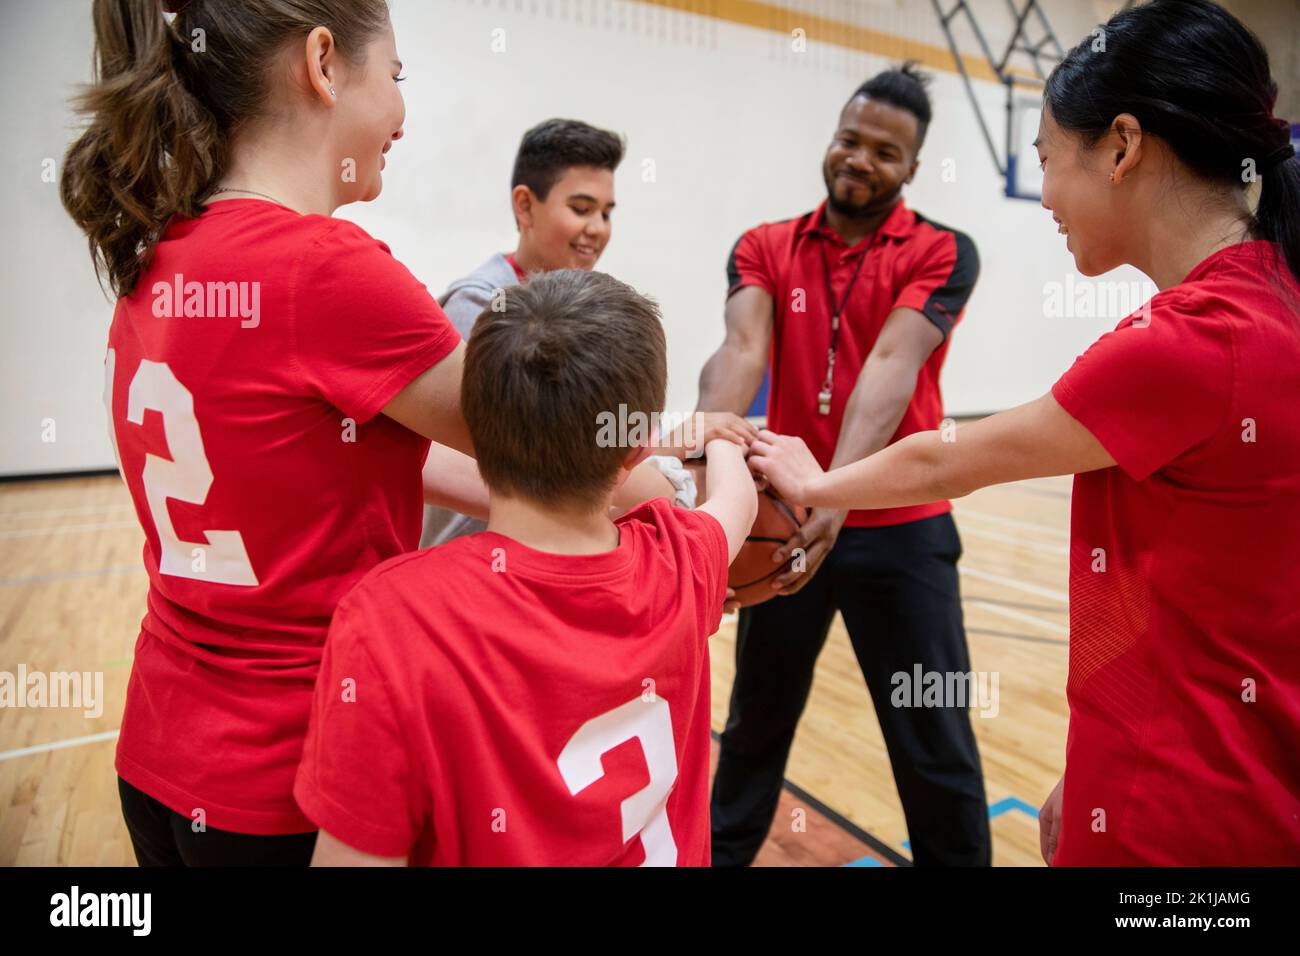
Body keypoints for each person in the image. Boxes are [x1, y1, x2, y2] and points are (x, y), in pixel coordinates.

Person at [59, 0, 660, 866]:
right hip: (293, 780)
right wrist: (701, 518)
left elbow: (336, 462)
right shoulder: (324, 269)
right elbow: (557, 452)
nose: (403, 115)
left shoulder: (161, 252)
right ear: (324, 63)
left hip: (159, 754)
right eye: (398, 74)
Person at [746, 0, 1300, 866]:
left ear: (1121, 147)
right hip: (1229, 765)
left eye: (1044, 160)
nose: (1041, 191)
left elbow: (959, 454)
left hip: (1184, 812)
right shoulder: (1277, 293)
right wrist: (1096, 762)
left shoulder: (1192, 341)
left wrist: (813, 484)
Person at [295, 270, 758, 865]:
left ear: (471, 424)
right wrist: (723, 440)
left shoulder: (392, 616)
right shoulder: (683, 556)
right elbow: (735, 504)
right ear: (638, 448)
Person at [697, 64, 990, 866]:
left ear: (913, 169)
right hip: (785, 521)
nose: (861, 160)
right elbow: (742, 348)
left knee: (933, 736)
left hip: (903, 530)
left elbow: (890, 371)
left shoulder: (942, 251)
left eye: (886, 152)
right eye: (850, 140)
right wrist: (708, 473)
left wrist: (838, 495)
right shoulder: (765, 245)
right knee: (755, 723)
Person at [422, 118, 755, 548]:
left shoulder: (585, 303)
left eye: (606, 212)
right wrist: (680, 453)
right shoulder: (481, 304)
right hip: (480, 557)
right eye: (581, 209)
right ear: (525, 206)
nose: (597, 228)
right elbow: (551, 455)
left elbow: (587, 433)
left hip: (559, 552)